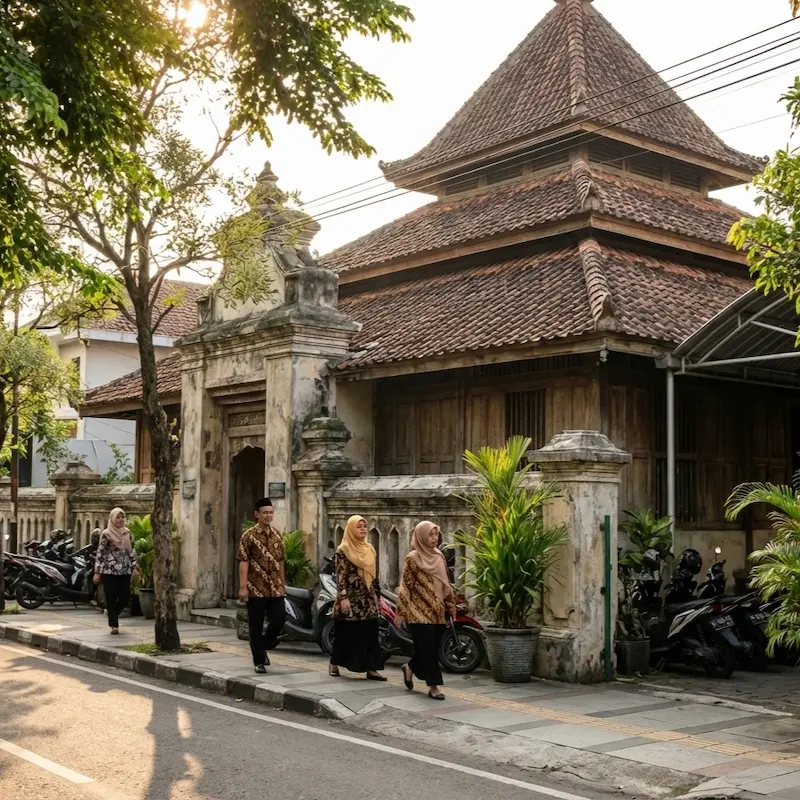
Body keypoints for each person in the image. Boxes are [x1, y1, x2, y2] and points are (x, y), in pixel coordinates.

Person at [395, 520, 456, 700]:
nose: (434, 538)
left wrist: (451, 606)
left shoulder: (439, 557)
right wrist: (401, 612)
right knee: (427, 649)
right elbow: (406, 586)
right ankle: (434, 687)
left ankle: (410, 667)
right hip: (418, 612)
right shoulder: (413, 558)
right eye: (430, 534)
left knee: (430, 649)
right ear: (421, 536)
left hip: (437, 612)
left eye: (436, 534)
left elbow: (446, 584)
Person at [329, 515, 386, 681]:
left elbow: (374, 576)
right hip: (351, 598)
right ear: (351, 529)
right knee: (346, 633)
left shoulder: (369, 549)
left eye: (364, 526)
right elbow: (341, 576)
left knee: (370, 633)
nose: (362, 529)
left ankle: (371, 668)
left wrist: (377, 596)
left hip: (368, 598)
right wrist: (343, 597)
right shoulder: (343, 549)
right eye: (358, 526)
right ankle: (334, 663)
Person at [237, 497, 286, 675]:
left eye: (271, 513)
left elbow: (281, 560)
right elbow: (243, 561)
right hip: (255, 589)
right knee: (255, 626)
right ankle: (259, 661)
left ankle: (265, 645)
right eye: (265, 513)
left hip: (275, 588)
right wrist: (243, 587)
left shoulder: (278, 535)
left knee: (279, 619)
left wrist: (282, 583)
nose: (268, 516)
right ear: (257, 515)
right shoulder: (248, 536)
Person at [93, 508, 139, 634]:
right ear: (112, 519)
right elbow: (100, 553)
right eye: (118, 517)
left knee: (124, 597)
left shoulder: (128, 533)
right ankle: (114, 624)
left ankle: (112, 614)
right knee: (111, 596)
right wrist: (97, 572)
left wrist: (135, 565)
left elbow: (132, 551)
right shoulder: (106, 534)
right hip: (109, 571)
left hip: (125, 570)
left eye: (122, 517)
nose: (120, 520)